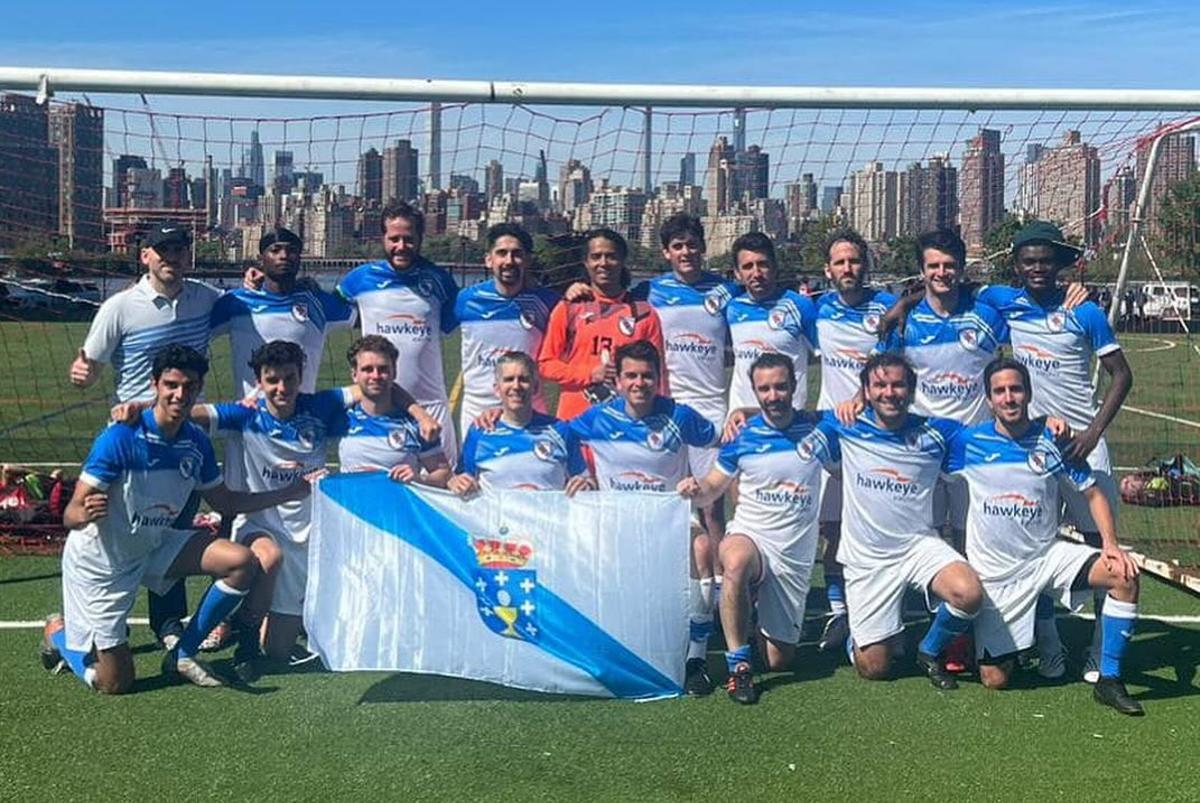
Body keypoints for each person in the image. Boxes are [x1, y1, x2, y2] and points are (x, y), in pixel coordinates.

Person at [40, 345, 315, 692]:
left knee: (241, 562)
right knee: (114, 683)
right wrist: (84, 513)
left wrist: (289, 492)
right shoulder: (121, 437)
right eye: (171, 385)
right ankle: (57, 634)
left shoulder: (195, 443)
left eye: (189, 386)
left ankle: (183, 653)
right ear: (155, 384)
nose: (179, 394)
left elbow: (225, 501)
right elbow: (71, 513)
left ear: (199, 389)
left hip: (154, 545)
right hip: (104, 563)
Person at [976, 220, 1134, 681]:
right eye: (1029, 261)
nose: (1038, 268)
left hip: (1084, 447)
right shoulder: (1004, 301)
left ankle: (1098, 651)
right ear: (1017, 266)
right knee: (1038, 545)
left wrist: (1092, 433)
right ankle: (1049, 644)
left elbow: (1121, 375)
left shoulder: (1083, 311)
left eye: (1046, 260)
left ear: (1059, 264)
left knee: (1101, 547)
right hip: (1035, 451)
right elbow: (956, 291)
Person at [945, 358, 1142, 715]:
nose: (1008, 398)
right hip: (997, 576)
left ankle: (1109, 679)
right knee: (995, 679)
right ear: (988, 399)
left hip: (1046, 559)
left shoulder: (1052, 441)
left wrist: (1110, 544)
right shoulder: (967, 442)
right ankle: (1024, 637)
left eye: (1016, 389)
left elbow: (1093, 493)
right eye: (1000, 391)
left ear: (1029, 393)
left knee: (1123, 576)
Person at [68, 222, 219, 653]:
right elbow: (89, 362)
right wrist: (82, 373)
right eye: (162, 249)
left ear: (189, 256)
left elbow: (245, 309)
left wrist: (255, 282)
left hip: (181, 436)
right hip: (131, 438)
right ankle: (87, 624)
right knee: (116, 534)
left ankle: (168, 622)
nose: (171, 256)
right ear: (146, 256)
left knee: (172, 528)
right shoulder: (119, 307)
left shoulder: (206, 300)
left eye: (179, 249)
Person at [564, 214, 738, 583]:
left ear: (704, 248)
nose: (686, 252)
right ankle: (657, 576)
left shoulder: (725, 292)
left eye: (692, 245)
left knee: (711, 504)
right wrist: (575, 291)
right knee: (662, 493)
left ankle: (721, 582)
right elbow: (610, 296)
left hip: (709, 404)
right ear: (666, 252)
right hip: (662, 404)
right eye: (678, 246)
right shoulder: (649, 292)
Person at [679, 354, 836, 704]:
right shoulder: (743, 437)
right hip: (751, 535)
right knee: (734, 562)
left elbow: (847, 451)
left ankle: (750, 613)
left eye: (780, 386)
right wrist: (695, 488)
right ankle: (739, 667)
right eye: (764, 389)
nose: (773, 395)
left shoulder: (820, 431)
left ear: (795, 387)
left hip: (793, 555)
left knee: (780, 660)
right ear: (754, 391)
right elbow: (713, 487)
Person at [822, 353, 985, 690]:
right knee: (875, 668)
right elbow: (785, 421)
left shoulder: (939, 433)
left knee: (968, 593)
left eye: (898, 384)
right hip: (868, 558)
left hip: (918, 546)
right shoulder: (844, 426)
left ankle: (928, 650)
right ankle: (863, 630)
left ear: (912, 390)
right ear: (865, 391)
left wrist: (1047, 423)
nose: (889, 392)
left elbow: (1001, 435)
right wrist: (741, 414)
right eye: (880, 385)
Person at [567, 340, 719, 695]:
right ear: (617, 380)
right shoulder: (599, 418)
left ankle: (696, 658)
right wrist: (582, 472)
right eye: (631, 376)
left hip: (669, 523)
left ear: (659, 378)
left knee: (701, 547)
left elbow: (725, 441)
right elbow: (555, 438)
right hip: (617, 525)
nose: (639, 383)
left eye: (647, 376)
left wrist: (701, 481)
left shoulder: (679, 416)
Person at [811, 228, 897, 653]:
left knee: (877, 527)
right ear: (828, 270)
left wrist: (863, 397)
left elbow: (895, 364)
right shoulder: (815, 309)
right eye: (840, 262)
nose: (848, 268)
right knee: (832, 529)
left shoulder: (887, 310)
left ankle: (883, 609)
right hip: (831, 433)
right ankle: (838, 611)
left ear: (867, 265)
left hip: (876, 437)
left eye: (855, 261)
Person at [336, 202, 460, 462]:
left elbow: (462, 319)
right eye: (394, 239)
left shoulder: (440, 281)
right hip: (380, 409)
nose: (401, 246)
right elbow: (325, 307)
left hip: (431, 408)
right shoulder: (358, 280)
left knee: (445, 488)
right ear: (382, 238)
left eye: (408, 239)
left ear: (420, 239)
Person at [211, 225, 357, 396]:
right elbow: (195, 326)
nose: (284, 256)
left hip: (302, 416)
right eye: (275, 250)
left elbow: (369, 318)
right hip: (252, 417)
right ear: (261, 258)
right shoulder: (236, 302)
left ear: (299, 258)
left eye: (291, 250)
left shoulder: (318, 302)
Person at [537, 228, 666, 420]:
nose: (603, 263)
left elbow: (658, 375)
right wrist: (590, 374)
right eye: (596, 257)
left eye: (611, 256)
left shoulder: (644, 314)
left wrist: (660, 419)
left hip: (625, 428)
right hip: (576, 422)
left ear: (622, 262)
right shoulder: (569, 308)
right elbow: (546, 364)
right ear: (586, 263)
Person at [454, 223, 559, 437]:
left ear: (527, 260)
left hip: (530, 410)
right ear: (488, 259)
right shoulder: (466, 300)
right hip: (477, 411)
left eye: (517, 254)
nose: (509, 261)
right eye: (502, 253)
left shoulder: (548, 303)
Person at [450, 351, 593, 495]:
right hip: (497, 518)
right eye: (509, 379)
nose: (516, 386)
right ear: (497, 389)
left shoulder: (560, 431)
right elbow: (463, 479)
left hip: (547, 517)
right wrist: (454, 482)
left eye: (523, 379)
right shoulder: (480, 432)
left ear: (535, 387)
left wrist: (586, 484)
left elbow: (587, 481)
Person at [724, 231, 818, 419]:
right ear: (737, 273)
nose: (756, 273)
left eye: (763, 264)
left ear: (774, 267)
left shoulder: (800, 306)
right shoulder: (732, 309)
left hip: (788, 422)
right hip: (742, 421)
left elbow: (828, 358)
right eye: (748, 266)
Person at [338, 335, 452, 487]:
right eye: (367, 369)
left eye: (383, 369)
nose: (376, 376)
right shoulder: (338, 416)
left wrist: (419, 479)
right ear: (354, 375)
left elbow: (444, 474)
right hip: (350, 509)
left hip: (398, 509)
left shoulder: (416, 425)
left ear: (395, 372)